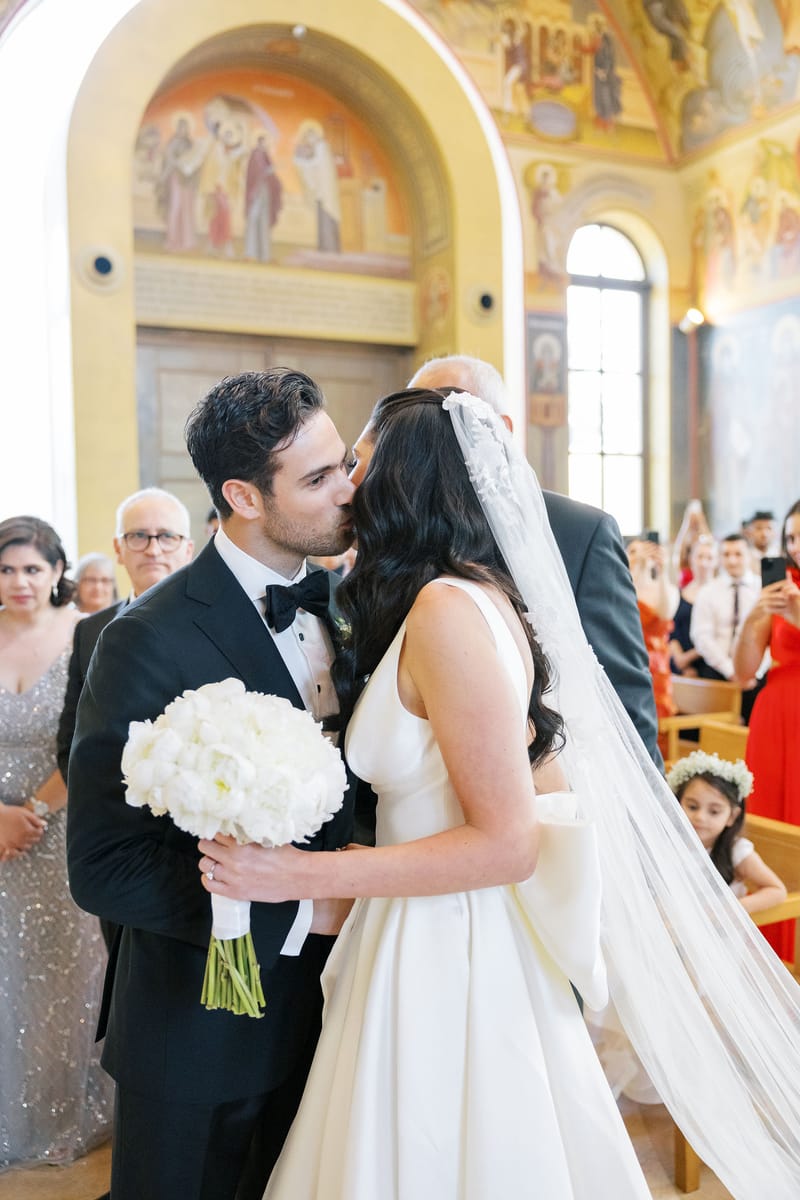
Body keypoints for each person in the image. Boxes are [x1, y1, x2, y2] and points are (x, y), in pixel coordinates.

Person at [201, 388, 800, 1199]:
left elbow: (509, 843)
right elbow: (540, 781)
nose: (348, 485)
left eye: (359, 466)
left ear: (405, 483)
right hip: (424, 922)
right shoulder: (457, 597)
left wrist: (304, 876)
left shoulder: (451, 609)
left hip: (449, 935)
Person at [67, 370, 359, 1200]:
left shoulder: (352, 605)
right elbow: (104, 865)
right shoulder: (144, 642)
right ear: (243, 496)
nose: (349, 490)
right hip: (201, 1031)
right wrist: (302, 904)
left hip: (345, 1017)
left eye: (342, 463)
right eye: (318, 478)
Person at [406, 354, 662, 767]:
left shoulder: (580, 532)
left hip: (560, 788)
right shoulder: (405, 530)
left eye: (446, 415)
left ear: (502, 430)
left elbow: (625, 696)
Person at [0, 516, 113, 1171]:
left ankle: (67, 1115)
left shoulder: (85, 635)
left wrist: (32, 812)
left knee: (67, 979)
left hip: (64, 828)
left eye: (33, 569)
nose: (20, 582)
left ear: (57, 572)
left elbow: (89, 737)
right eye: (8, 569)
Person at [57, 487, 194, 786]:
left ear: (188, 550)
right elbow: (72, 739)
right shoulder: (90, 630)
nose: (153, 550)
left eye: (167, 537)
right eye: (139, 536)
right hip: (109, 809)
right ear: (118, 549)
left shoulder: (217, 623)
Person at [734, 498, 800, 960]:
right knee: (771, 821)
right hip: (774, 715)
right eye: (791, 537)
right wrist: (757, 615)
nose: (795, 546)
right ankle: (772, 946)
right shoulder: (781, 589)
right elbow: (743, 673)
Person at [669, 750, 786, 914]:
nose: (700, 817)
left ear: (732, 816)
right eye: (692, 807)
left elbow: (777, 890)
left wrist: (727, 912)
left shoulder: (737, 851)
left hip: (719, 935)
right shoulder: (667, 842)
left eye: (714, 811)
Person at [690, 531, 764, 719]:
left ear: (749, 555)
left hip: (757, 675)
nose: (732, 561)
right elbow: (702, 636)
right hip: (717, 672)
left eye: (738, 554)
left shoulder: (762, 589)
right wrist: (731, 670)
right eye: (726, 555)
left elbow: (772, 634)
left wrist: (754, 673)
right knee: (717, 735)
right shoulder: (708, 591)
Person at [626, 536, 679, 731]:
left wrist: (663, 570)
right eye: (632, 551)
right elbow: (625, 606)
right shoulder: (623, 586)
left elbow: (666, 613)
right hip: (629, 658)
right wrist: (634, 568)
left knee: (655, 719)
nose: (639, 556)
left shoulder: (663, 588)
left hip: (656, 666)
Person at [669, 534, 718, 676]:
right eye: (700, 557)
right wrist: (681, 661)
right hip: (680, 668)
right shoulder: (678, 594)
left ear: (716, 561)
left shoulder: (720, 595)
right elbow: (672, 632)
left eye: (709, 558)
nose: (703, 563)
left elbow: (718, 634)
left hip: (710, 665)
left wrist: (689, 657)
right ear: (691, 560)